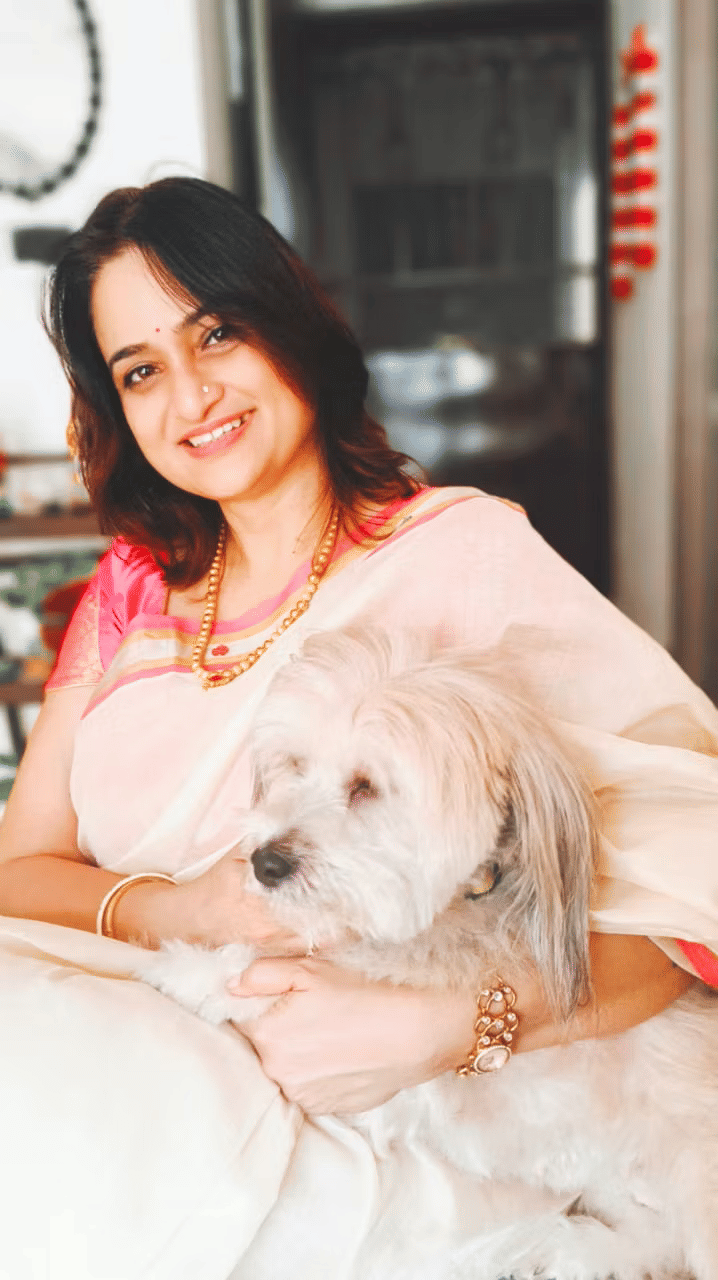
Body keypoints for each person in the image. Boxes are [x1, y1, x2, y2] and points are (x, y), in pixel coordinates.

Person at [0, 177, 715, 1279]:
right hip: (140, 1079)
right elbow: (18, 872)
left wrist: (446, 1025)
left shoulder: (462, 558)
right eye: (140, 371)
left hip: (397, 1134)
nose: (191, 394)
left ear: (287, 323)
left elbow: (685, 896)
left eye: (216, 333)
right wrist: (180, 907)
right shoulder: (130, 591)